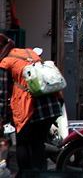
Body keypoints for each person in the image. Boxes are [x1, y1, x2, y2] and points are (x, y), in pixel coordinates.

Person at [0, 35, 63, 170]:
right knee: (38, 144)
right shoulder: (29, 53)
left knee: (23, 143)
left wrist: (3, 119)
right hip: (51, 104)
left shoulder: (5, 63)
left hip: (29, 108)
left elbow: (2, 95)